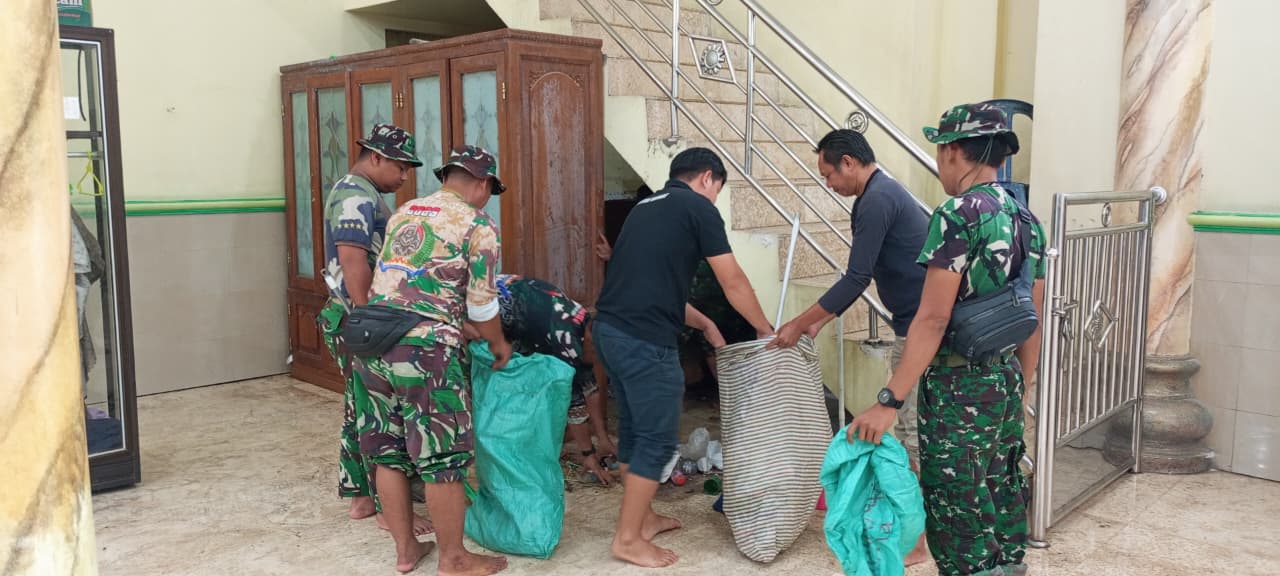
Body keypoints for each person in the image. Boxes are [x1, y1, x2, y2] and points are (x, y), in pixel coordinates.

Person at [846, 103, 1046, 576]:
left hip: (958, 391)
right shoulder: (1025, 217)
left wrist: (889, 399)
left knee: (959, 513)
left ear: (955, 151)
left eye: (940, 151)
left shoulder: (958, 214)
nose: (939, 163)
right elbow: (1031, 316)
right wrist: (1022, 386)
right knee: (1000, 497)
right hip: (1005, 381)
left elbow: (933, 319)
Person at [592, 147, 775, 568]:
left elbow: (653, 286)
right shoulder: (697, 208)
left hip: (610, 333)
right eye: (717, 191)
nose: (715, 201)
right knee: (657, 439)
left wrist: (708, 325)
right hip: (643, 341)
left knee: (636, 430)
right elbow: (733, 280)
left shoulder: (645, 209)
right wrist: (765, 329)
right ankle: (627, 539)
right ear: (708, 178)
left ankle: (644, 518)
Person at [768, 129, 932, 565]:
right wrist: (819, 322)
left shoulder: (877, 199)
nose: (829, 184)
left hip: (920, 329)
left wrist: (801, 323)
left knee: (915, 433)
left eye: (829, 174)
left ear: (849, 162)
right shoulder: (881, 193)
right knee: (919, 430)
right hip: (916, 324)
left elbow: (856, 278)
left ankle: (919, 539)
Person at [355, 145, 511, 575]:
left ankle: (407, 551)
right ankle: (454, 558)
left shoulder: (406, 211)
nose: (487, 198)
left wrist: (450, 319)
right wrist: (499, 345)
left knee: (388, 451)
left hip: (372, 341)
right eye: (490, 190)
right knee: (443, 455)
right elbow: (482, 306)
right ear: (482, 184)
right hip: (424, 351)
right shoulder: (478, 224)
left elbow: (406, 283)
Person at [315, 123, 431, 535]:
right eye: (400, 167)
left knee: (359, 408)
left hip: (351, 318)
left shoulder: (364, 193)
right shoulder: (354, 195)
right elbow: (352, 262)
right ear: (376, 157)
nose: (404, 177)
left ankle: (362, 497)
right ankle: (387, 508)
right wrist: (369, 321)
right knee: (378, 415)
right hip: (356, 320)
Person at [463, 273, 617, 485]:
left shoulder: (582, 318)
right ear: (590, 339)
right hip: (477, 309)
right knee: (494, 379)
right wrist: (588, 455)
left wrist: (603, 439)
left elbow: (588, 384)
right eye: (597, 353)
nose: (597, 359)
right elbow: (575, 405)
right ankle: (486, 456)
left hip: (502, 298)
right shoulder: (568, 341)